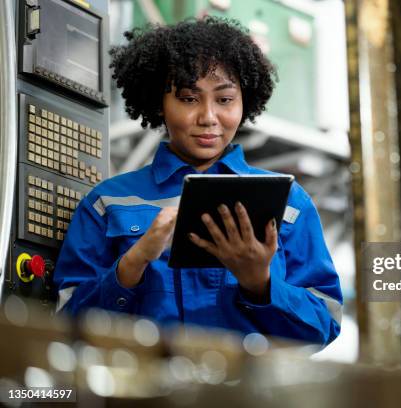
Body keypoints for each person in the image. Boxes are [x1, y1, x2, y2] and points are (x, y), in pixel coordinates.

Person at [53, 17, 342, 346]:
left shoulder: (289, 202)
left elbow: (325, 324)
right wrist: (134, 262)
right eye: (189, 99)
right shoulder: (106, 203)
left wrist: (260, 282)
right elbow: (65, 325)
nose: (208, 117)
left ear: (245, 100)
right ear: (159, 103)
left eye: (225, 99)